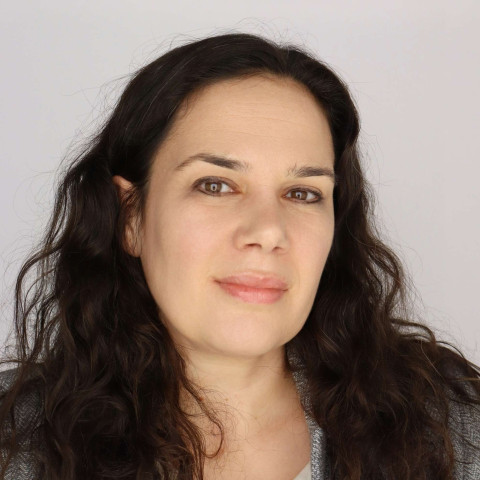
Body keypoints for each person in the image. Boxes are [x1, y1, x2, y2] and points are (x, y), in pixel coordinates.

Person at [0, 32, 479, 480]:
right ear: (131, 217)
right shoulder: (13, 442)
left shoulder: (452, 426)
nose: (268, 231)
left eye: (303, 193)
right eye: (216, 185)